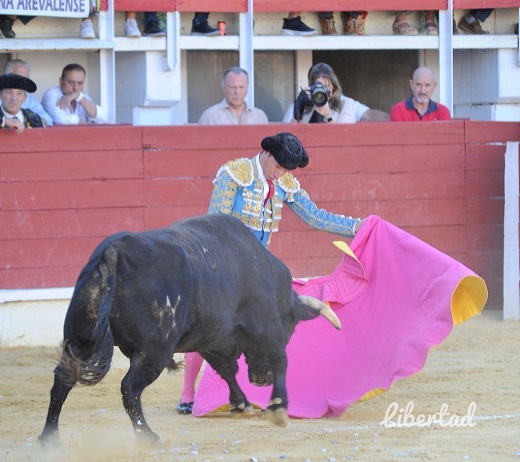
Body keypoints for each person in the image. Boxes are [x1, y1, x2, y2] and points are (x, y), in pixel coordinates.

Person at [176, 131, 364, 414]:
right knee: (207, 324)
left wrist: (355, 227)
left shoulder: (285, 183)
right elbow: (213, 224)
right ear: (265, 154)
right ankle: (188, 392)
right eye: (277, 166)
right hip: (225, 264)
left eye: (285, 169)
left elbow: (314, 216)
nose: (279, 174)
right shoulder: (235, 174)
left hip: (257, 271)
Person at [283, 62, 390, 124]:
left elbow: (342, 137)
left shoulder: (345, 105)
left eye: (326, 87)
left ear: (333, 88)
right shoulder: (301, 104)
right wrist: (299, 110)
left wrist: (327, 115)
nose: (321, 91)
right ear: (310, 87)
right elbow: (288, 137)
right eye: (317, 86)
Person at [198, 67, 268, 125]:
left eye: (241, 87)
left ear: (247, 88)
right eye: (232, 87)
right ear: (223, 88)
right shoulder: (209, 117)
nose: (237, 92)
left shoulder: (260, 116)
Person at [42, 63, 107, 125]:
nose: (75, 87)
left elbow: (102, 119)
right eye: (71, 82)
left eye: (80, 83)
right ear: (61, 81)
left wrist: (79, 97)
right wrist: (81, 122)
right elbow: (60, 119)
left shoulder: (82, 96)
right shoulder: (51, 94)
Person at [3, 59, 53, 127]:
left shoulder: (29, 98)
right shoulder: (4, 95)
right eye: (18, 78)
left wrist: (38, 121)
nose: (22, 81)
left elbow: (46, 118)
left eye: (25, 79)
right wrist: (4, 120)